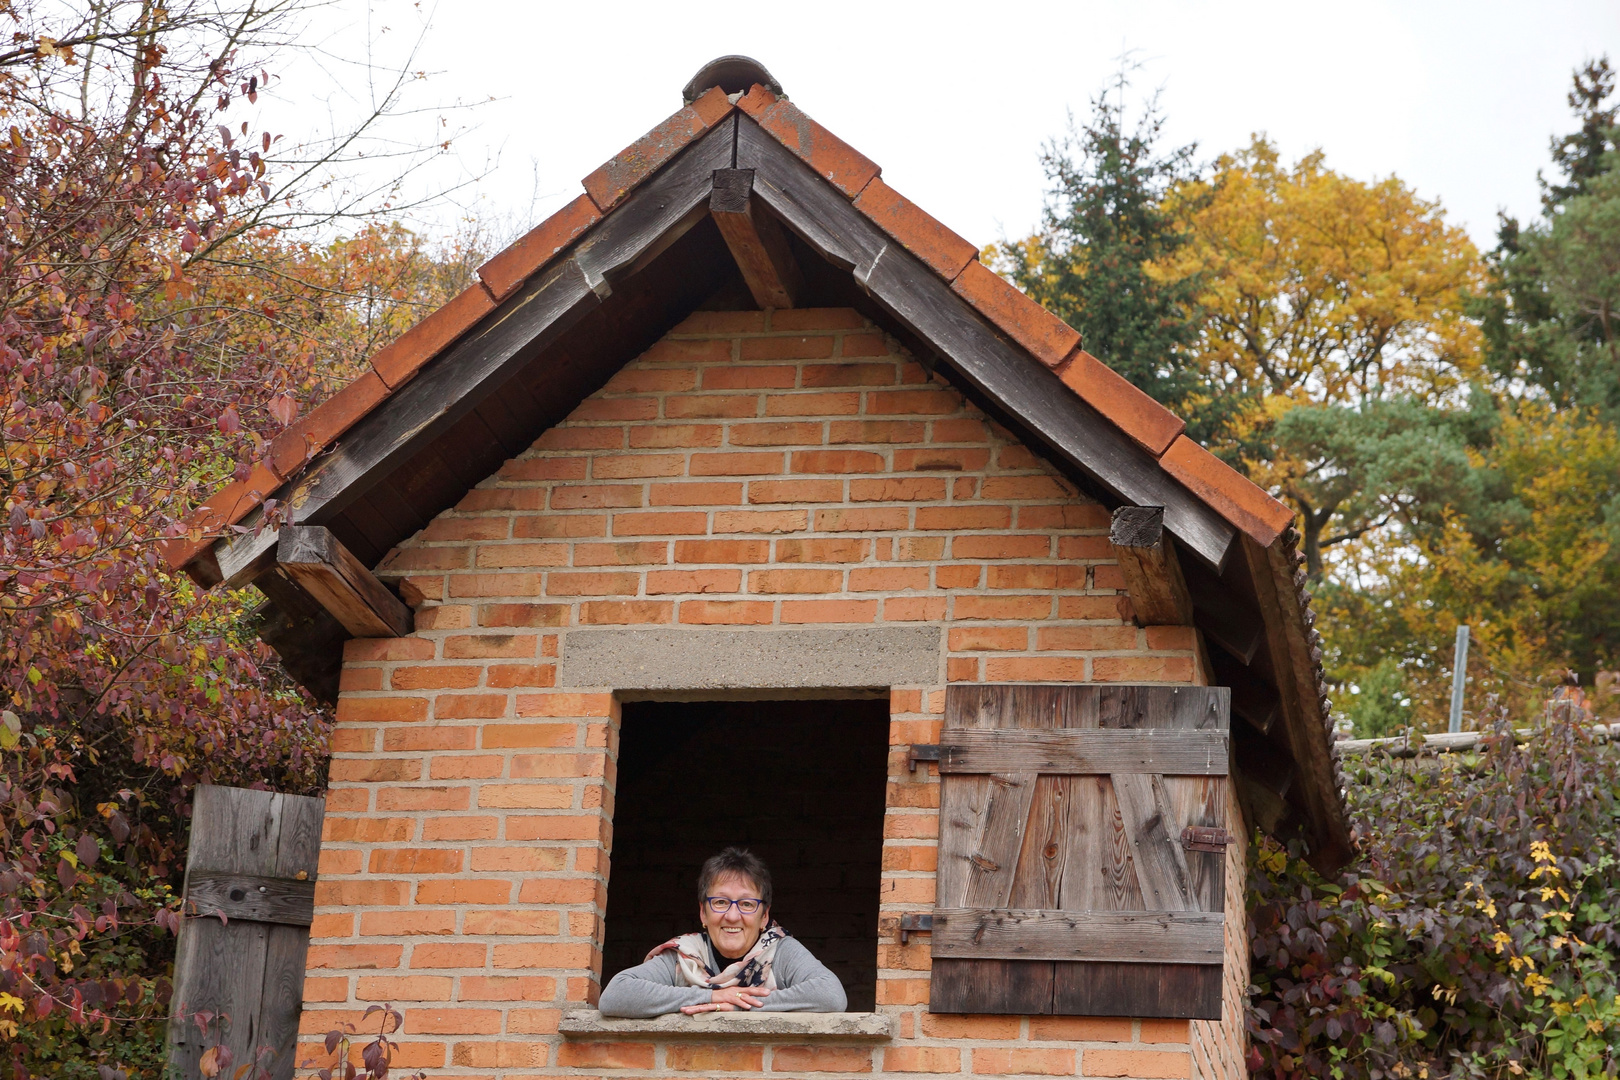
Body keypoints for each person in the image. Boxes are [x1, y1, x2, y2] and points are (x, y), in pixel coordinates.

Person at [598, 847, 847, 1016]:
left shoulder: (780, 950)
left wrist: (736, 1004)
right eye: (720, 902)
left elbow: (830, 995)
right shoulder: (684, 956)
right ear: (703, 913)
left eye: (747, 904)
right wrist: (711, 998)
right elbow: (616, 995)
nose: (732, 916)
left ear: (765, 916)